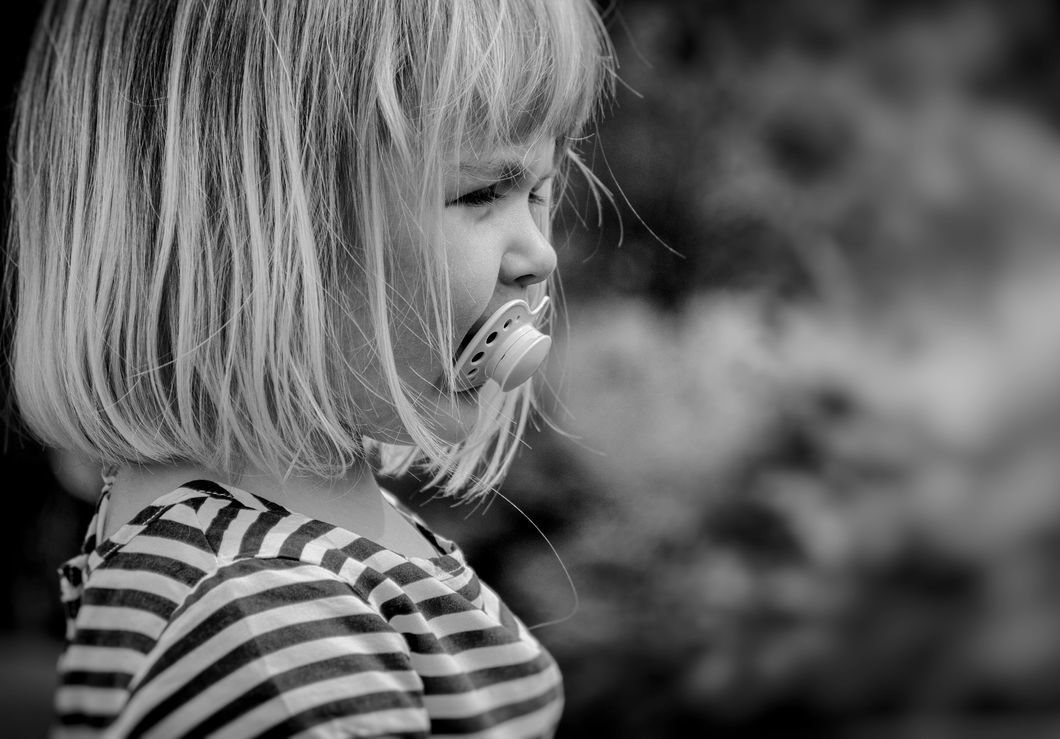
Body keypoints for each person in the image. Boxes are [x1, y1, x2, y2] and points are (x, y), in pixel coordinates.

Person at [5, 0, 614, 736]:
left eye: (541, 191)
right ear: (242, 225)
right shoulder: (269, 635)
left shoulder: (310, 537)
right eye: (483, 191)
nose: (540, 253)